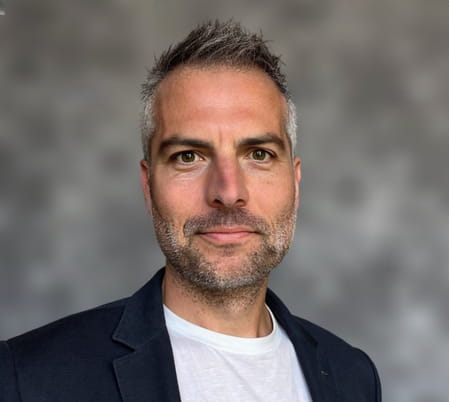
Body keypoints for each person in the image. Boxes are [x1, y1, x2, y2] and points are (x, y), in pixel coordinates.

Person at [0, 20, 381, 402]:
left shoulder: (352, 376)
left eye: (259, 154)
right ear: (148, 185)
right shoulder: (27, 377)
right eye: (188, 157)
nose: (228, 192)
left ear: (294, 183)